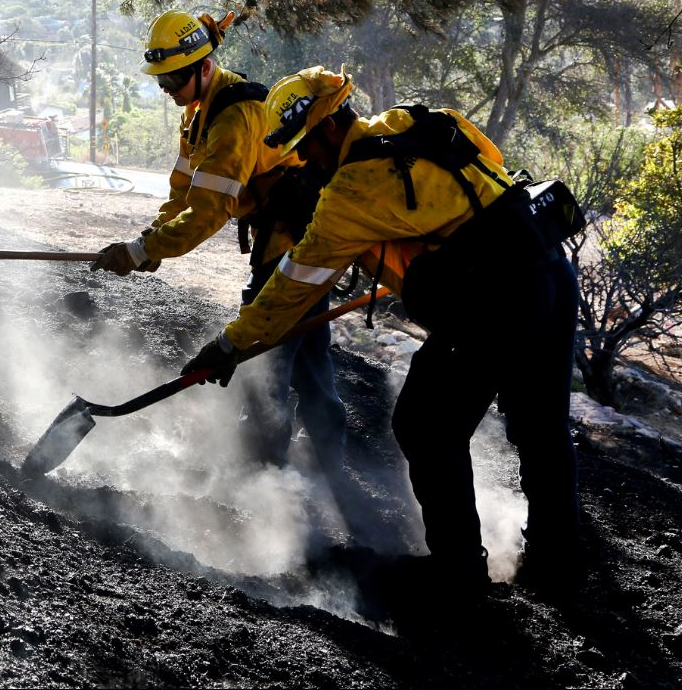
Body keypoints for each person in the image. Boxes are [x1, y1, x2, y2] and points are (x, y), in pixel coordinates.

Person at [185, 66, 582, 596]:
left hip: (497, 297)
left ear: (327, 129)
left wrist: (230, 344)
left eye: (306, 149)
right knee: (542, 425)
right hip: (549, 269)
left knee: (424, 424)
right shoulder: (412, 121)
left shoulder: (352, 188)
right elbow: (487, 168)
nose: (305, 162)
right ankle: (559, 562)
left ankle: (459, 573)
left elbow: (292, 286)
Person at [91, 10, 345, 475]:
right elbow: (183, 194)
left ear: (204, 68)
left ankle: (262, 478)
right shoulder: (197, 116)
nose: (167, 91)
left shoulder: (235, 118)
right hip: (288, 240)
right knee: (309, 355)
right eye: (162, 81)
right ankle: (329, 466)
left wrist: (141, 252)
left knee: (261, 357)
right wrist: (149, 241)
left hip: (295, 246)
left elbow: (209, 212)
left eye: (174, 80)